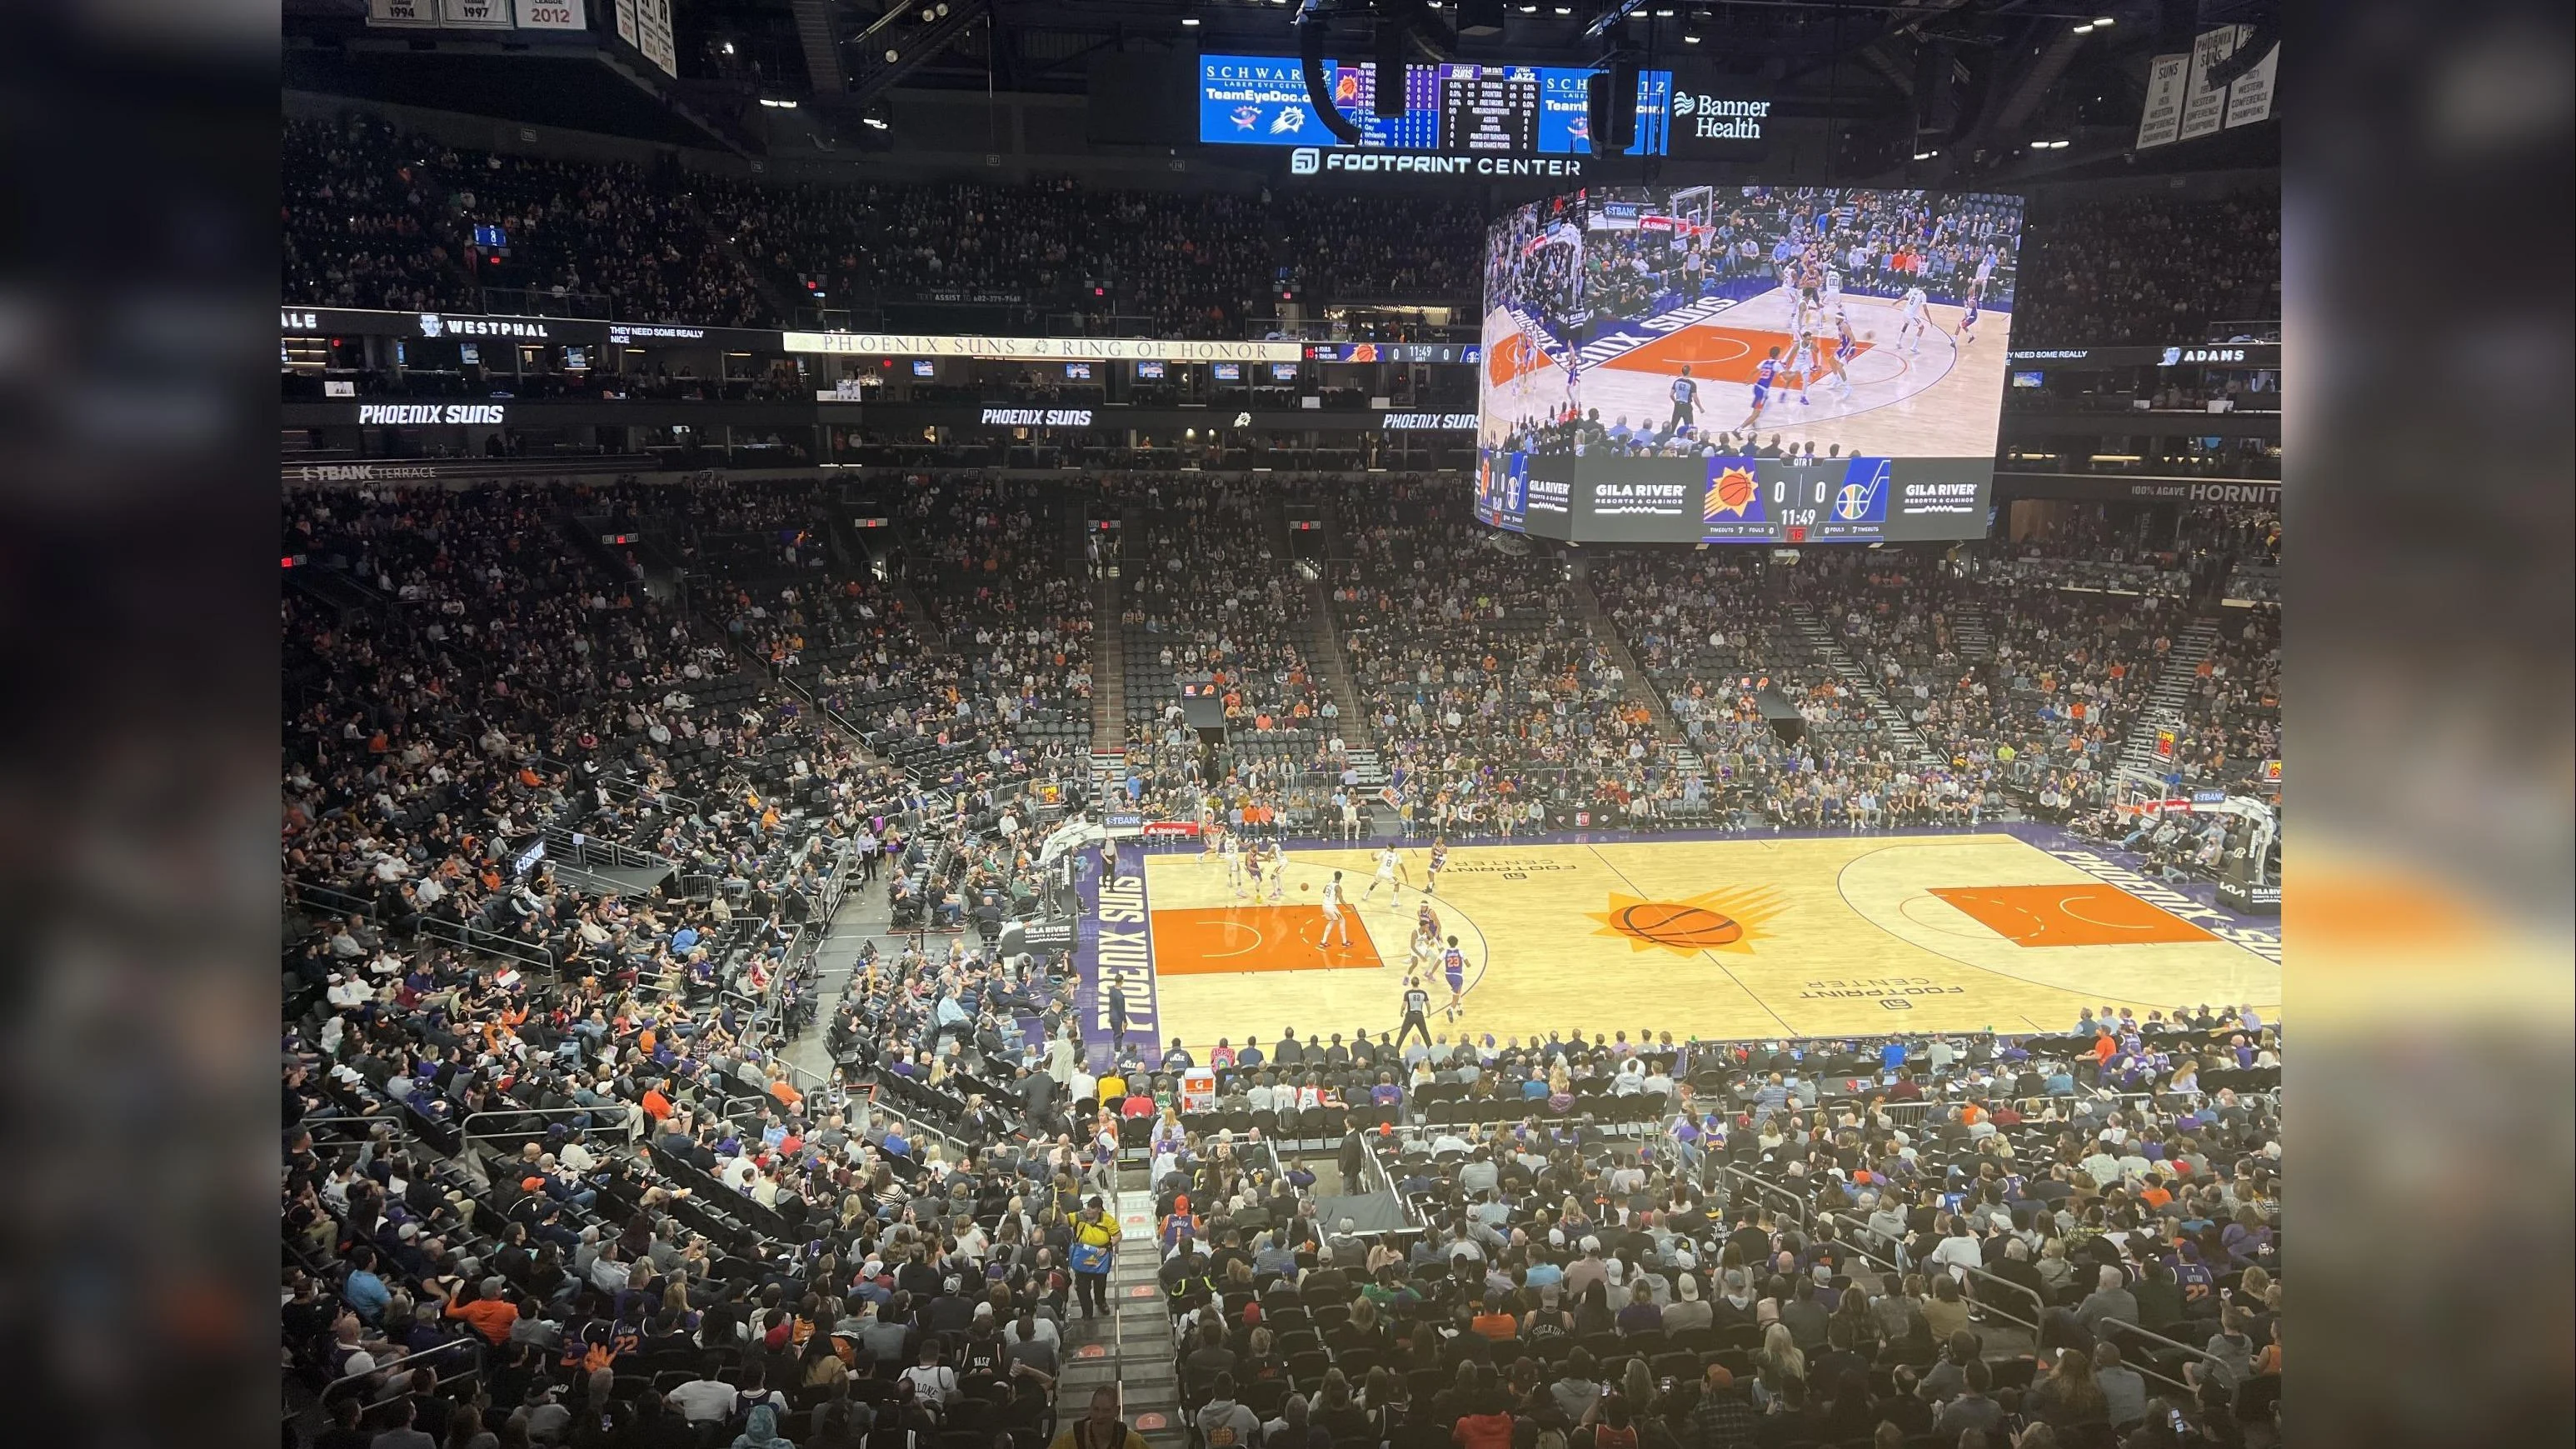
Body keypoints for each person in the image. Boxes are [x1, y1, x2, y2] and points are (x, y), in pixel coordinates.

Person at [1071, 1197, 1118, 1321]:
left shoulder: (1107, 1219)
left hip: (1100, 1258)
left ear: (1098, 1209)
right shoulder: (1080, 1216)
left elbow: (1118, 1235)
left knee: (1100, 1283)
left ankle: (1101, 1302)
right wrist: (1059, 1211)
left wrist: (1107, 1246)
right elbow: (1064, 1220)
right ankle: (1087, 1312)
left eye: (1091, 1208)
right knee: (1082, 1287)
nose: (1088, 1211)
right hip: (1083, 1257)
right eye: (1087, 1208)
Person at [1315, 871, 1352, 948]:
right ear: (1341, 878)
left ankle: (1323, 942)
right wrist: (1350, 908)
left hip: (1324, 905)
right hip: (1331, 907)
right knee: (1342, 920)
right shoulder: (1338, 887)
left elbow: (1324, 891)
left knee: (1332, 921)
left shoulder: (1329, 883)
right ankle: (1344, 942)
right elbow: (1341, 900)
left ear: (1334, 876)